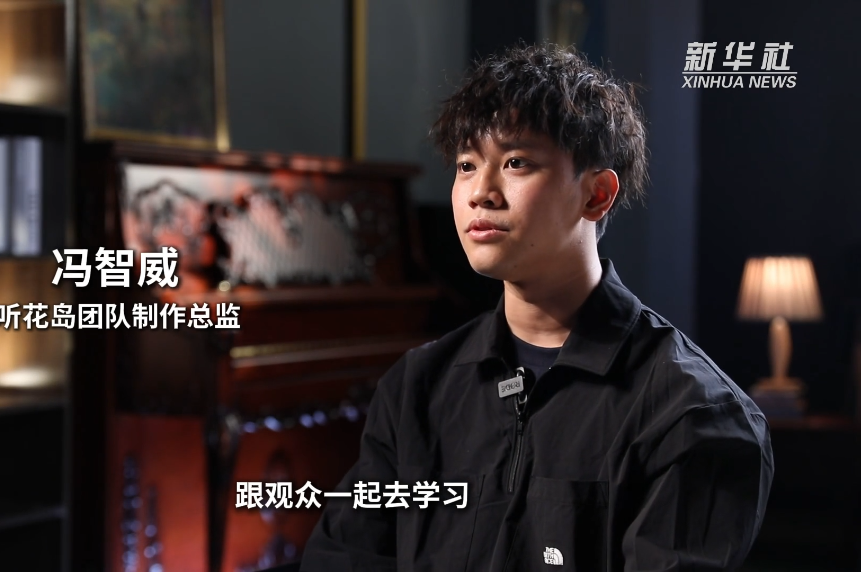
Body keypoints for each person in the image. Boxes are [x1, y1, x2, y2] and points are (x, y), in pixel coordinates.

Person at [299, 43, 774, 571]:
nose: (480, 192)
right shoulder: (418, 387)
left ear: (596, 194)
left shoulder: (693, 414)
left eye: (516, 163)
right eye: (466, 165)